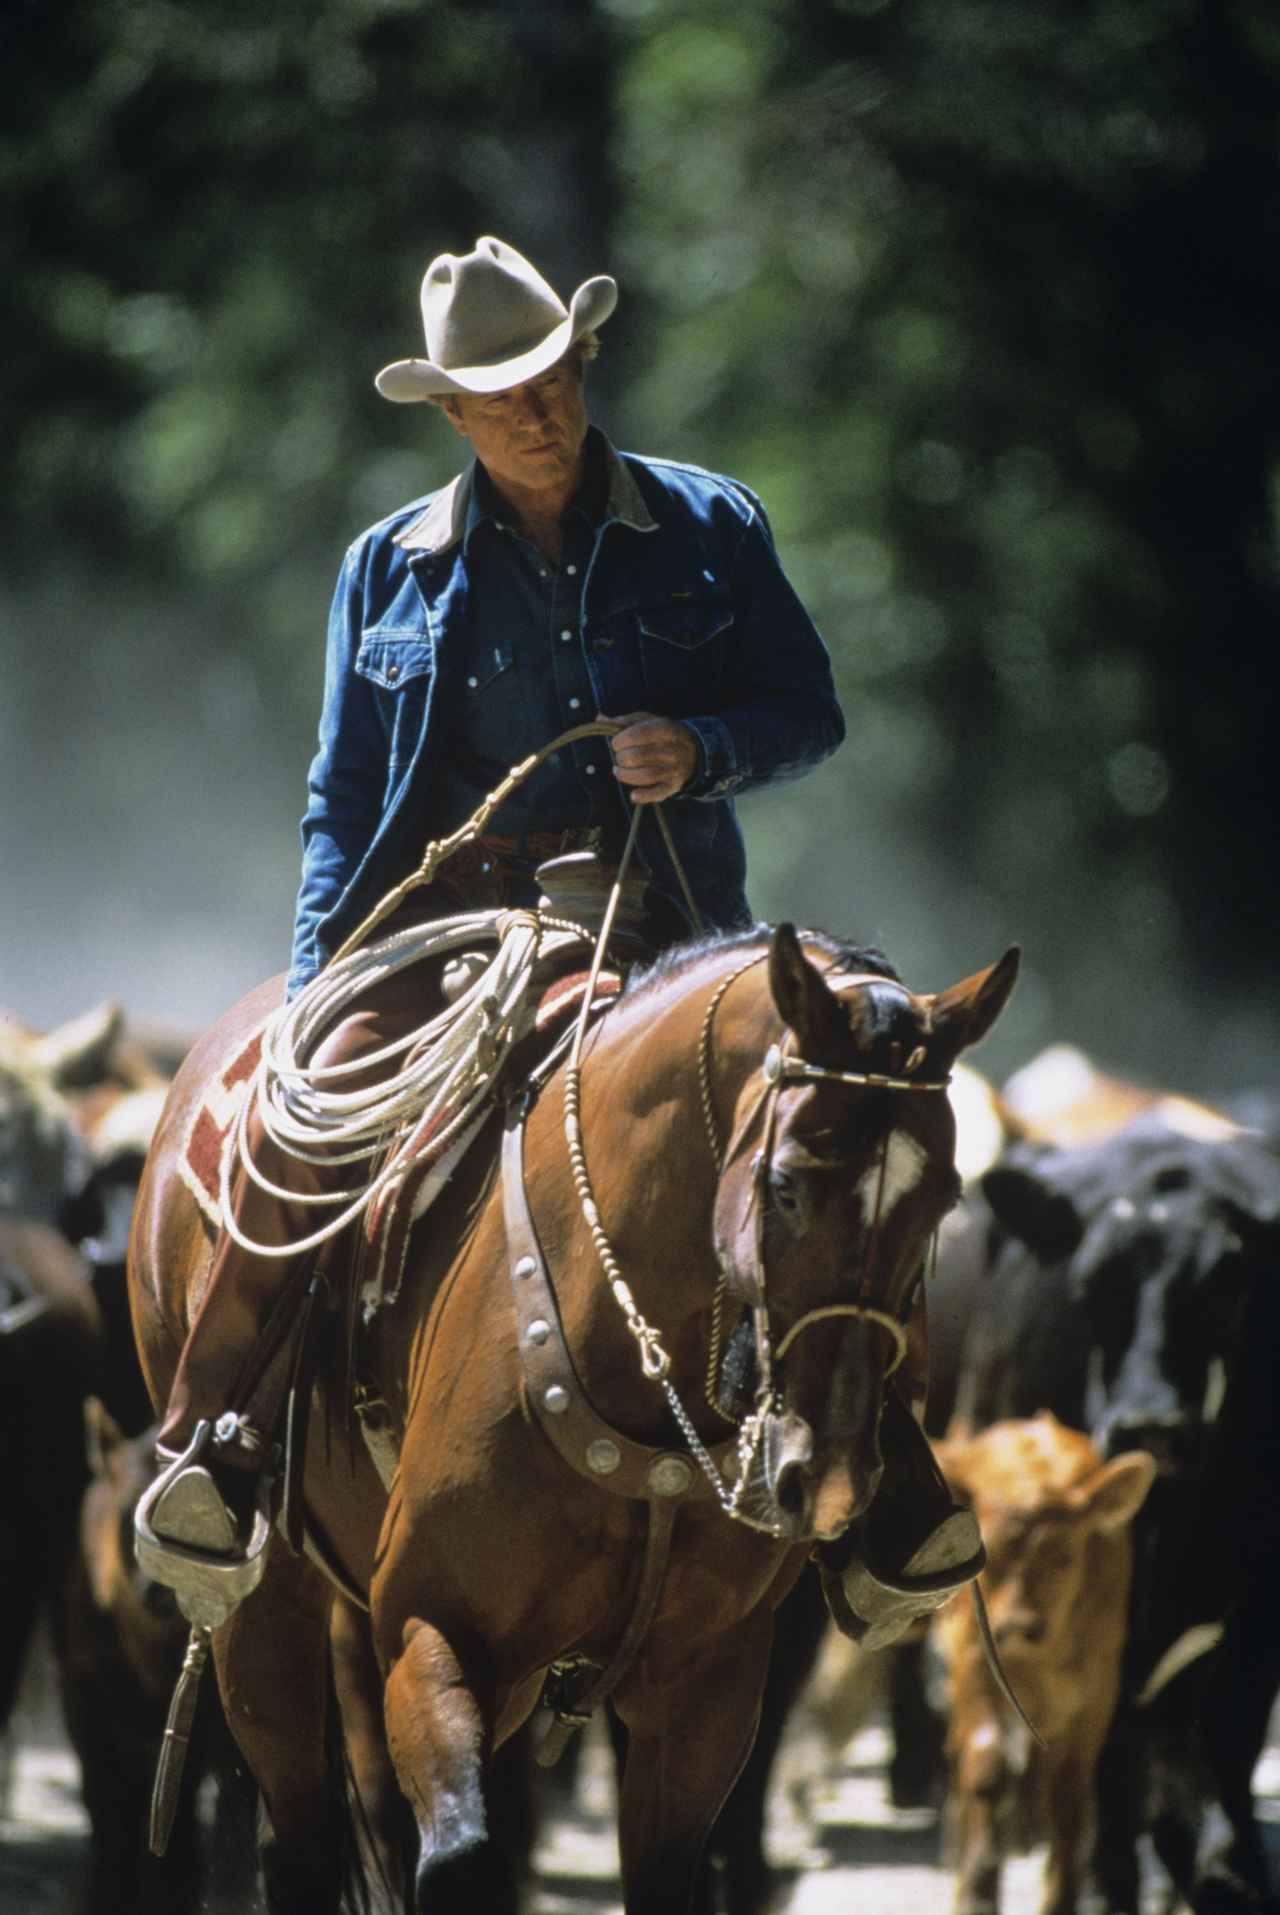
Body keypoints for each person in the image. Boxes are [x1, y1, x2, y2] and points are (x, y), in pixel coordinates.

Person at [142, 237, 978, 1643]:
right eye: (499, 395)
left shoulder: (712, 523)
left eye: (549, 377)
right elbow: (343, 796)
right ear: (451, 416)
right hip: (455, 926)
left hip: (674, 930)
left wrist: (701, 749)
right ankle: (213, 1441)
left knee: (838, 1149)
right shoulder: (388, 567)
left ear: (582, 364)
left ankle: (877, 1494)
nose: (534, 410)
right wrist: (323, 973)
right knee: (296, 1125)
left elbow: (807, 712)